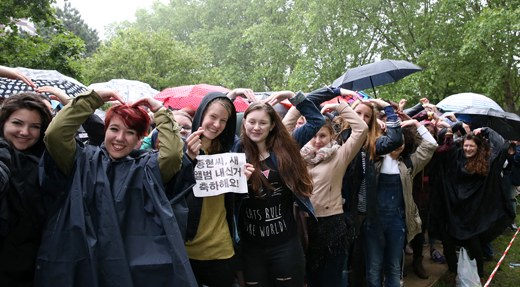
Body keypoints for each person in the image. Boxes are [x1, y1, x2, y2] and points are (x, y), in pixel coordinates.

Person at [36, 89, 197, 286]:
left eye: (130, 132)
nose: (120, 138)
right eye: (114, 129)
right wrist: (92, 99)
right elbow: (55, 135)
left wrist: (160, 110)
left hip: (134, 265)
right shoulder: (80, 160)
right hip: (84, 258)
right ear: (105, 130)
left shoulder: (148, 167)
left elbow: (172, 155)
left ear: (140, 139)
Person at [232, 90, 324, 286]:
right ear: (244, 122)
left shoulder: (286, 146)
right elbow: (210, 124)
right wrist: (231, 95)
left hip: (285, 246)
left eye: (263, 123)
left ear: (272, 125)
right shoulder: (235, 151)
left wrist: (292, 95)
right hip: (251, 248)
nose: (256, 128)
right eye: (251, 121)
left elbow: (317, 120)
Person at [293, 98, 368, 287]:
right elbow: (284, 131)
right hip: (303, 226)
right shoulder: (298, 156)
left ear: (331, 137)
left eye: (323, 136)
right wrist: (299, 103)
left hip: (331, 226)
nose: (317, 141)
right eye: (314, 135)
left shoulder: (340, 154)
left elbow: (362, 130)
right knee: (309, 280)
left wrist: (341, 107)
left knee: (330, 280)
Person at [430, 127, 515, 285]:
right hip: (453, 207)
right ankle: (453, 271)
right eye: (466, 145)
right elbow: (444, 145)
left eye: (472, 146)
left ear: (478, 147)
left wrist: (486, 130)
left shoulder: (487, 160)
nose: (468, 149)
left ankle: (480, 273)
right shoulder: (456, 157)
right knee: (448, 241)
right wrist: (454, 127)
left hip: (473, 211)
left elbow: (502, 146)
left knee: (473, 242)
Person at [362, 119, 438, 287]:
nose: (397, 144)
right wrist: (377, 125)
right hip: (373, 221)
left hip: (398, 221)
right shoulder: (372, 161)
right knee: (374, 268)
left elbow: (431, 145)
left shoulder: (410, 163)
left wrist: (416, 124)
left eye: (401, 141)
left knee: (394, 267)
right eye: (393, 139)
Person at [0, 92, 52, 286]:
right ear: (4, 122)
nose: (24, 132)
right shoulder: (3, 152)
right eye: (17, 123)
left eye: (34, 127)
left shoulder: (47, 159)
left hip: (37, 264)